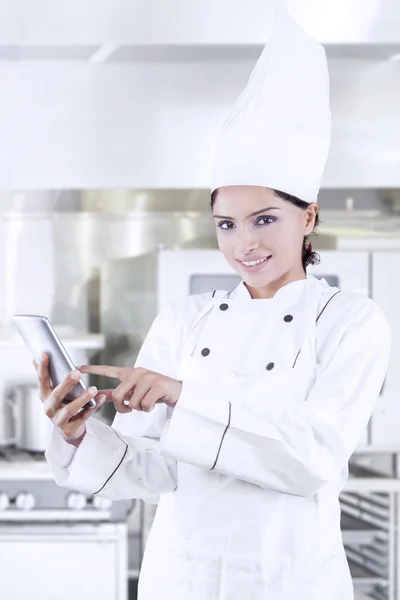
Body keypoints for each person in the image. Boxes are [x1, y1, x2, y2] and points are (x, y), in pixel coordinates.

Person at [39, 5, 391, 600]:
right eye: (226, 224)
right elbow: (151, 471)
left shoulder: (350, 322)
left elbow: (309, 458)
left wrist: (182, 396)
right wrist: (79, 434)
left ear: (307, 217)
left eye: (264, 219)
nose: (244, 244)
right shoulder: (185, 319)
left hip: (287, 582)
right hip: (182, 578)